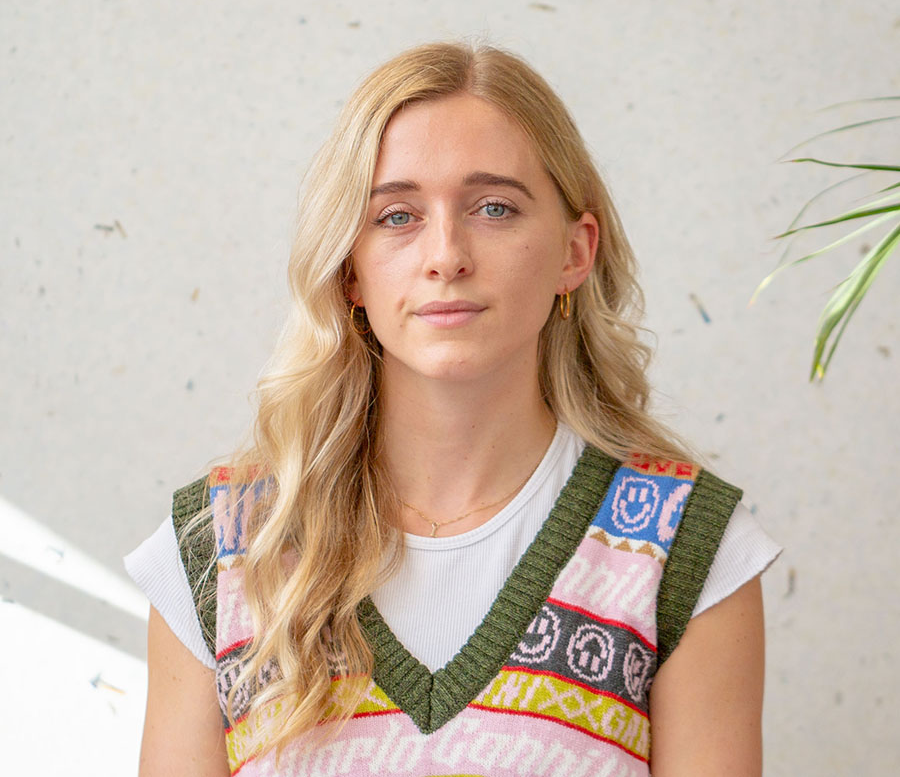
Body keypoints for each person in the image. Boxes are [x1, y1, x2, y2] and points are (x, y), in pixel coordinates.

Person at [126, 42, 780, 777]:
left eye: (494, 207)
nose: (446, 254)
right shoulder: (221, 549)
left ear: (574, 251)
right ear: (350, 270)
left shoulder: (688, 548)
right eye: (397, 216)